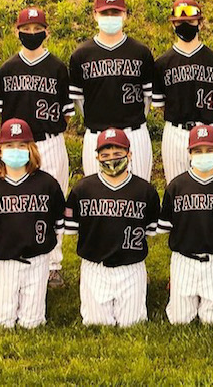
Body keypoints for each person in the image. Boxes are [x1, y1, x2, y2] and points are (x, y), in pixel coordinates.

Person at [0, 7, 74, 288]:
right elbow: (0, 113)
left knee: (54, 202)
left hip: (50, 141)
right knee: (18, 202)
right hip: (17, 147)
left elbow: (66, 113)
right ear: (17, 32)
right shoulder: (7, 69)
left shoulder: (57, 68)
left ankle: (53, 265)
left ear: (46, 32)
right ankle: (18, 257)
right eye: (26, 29)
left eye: (37, 29)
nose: (32, 34)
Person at [0, 118, 65, 328]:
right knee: (1, 322)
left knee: (32, 322)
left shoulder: (47, 184)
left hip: (37, 260)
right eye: (9, 145)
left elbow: (57, 225)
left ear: (31, 149)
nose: (16, 150)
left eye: (22, 145)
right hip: (3, 261)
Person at [65, 128, 160, 326]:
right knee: (96, 322)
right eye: (105, 155)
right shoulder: (82, 189)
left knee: (132, 323)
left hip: (131, 266)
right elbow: (73, 228)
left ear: (129, 154)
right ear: (97, 157)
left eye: (118, 153)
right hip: (95, 267)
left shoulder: (145, 191)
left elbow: (150, 229)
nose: (111, 159)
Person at [157, 125, 213, 324]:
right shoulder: (176, 186)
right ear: (189, 153)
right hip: (184, 260)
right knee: (179, 319)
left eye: (209, 150)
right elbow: (166, 225)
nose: (204, 154)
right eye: (198, 151)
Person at [69, 0, 155, 180]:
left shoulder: (140, 52)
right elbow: (80, 101)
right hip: (96, 134)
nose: (110, 17)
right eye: (105, 13)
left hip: (134, 134)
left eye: (115, 12)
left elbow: (147, 98)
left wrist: (133, 120)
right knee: (95, 195)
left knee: (139, 192)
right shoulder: (81, 55)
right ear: (95, 15)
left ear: (125, 15)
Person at [152, 0, 213, 185]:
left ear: (200, 23)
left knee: (211, 187)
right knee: (176, 187)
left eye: (190, 21)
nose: (185, 25)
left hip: (207, 129)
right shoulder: (162, 63)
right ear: (173, 25)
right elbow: (161, 105)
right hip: (176, 132)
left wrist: (209, 122)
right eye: (180, 22)